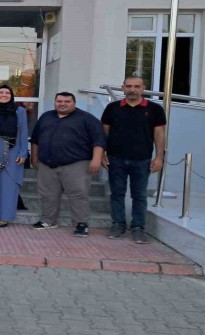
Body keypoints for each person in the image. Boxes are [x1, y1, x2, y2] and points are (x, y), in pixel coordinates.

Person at [30, 92, 105, 237]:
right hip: (46, 164)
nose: (62, 104)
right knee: (48, 194)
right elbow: (35, 140)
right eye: (59, 101)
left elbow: (99, 141)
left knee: (78, 194)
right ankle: (48, 220)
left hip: (76, 164)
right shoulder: (46, 117)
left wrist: (96, 160)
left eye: (67, 101)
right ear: (55, 102)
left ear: (74, 103)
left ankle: (81, 224)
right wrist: (34, 158)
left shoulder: (87, 119)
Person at [101, 76, 166, 244]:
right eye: (129, 86)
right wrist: (102, 154)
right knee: (117, 194)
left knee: (140, 196)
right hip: (115, 159)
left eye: (136, 86)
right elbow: (104, 133)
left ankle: (138, 228)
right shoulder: (112, 108)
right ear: (123, 88)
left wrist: (159, 157)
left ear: (143, 88)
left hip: (142, 159)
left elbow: (159, 134)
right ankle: (118, 225)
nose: (132, 89)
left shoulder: (155, 109)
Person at [0, 85, 29, 228]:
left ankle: (5, 217)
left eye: (7, 92)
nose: (4, 95)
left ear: (12, 95)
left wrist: (23, 153)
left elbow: (23, 132)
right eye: (0, 92)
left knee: (9, 185)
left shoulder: (19, 111)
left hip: (12, 150)